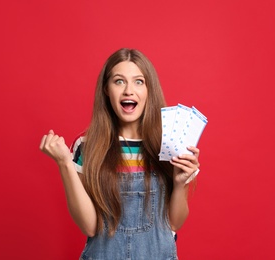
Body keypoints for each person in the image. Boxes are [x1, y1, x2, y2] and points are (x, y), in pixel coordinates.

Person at [39, 48, 200, 259]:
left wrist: (180, 184)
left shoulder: (170, 144)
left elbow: (174, 223)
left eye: (138, 81)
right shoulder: (87, 146)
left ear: (149, 90)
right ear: (106, 89)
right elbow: (89, 227)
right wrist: (65, 163)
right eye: (119, 81)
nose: (128, 91)